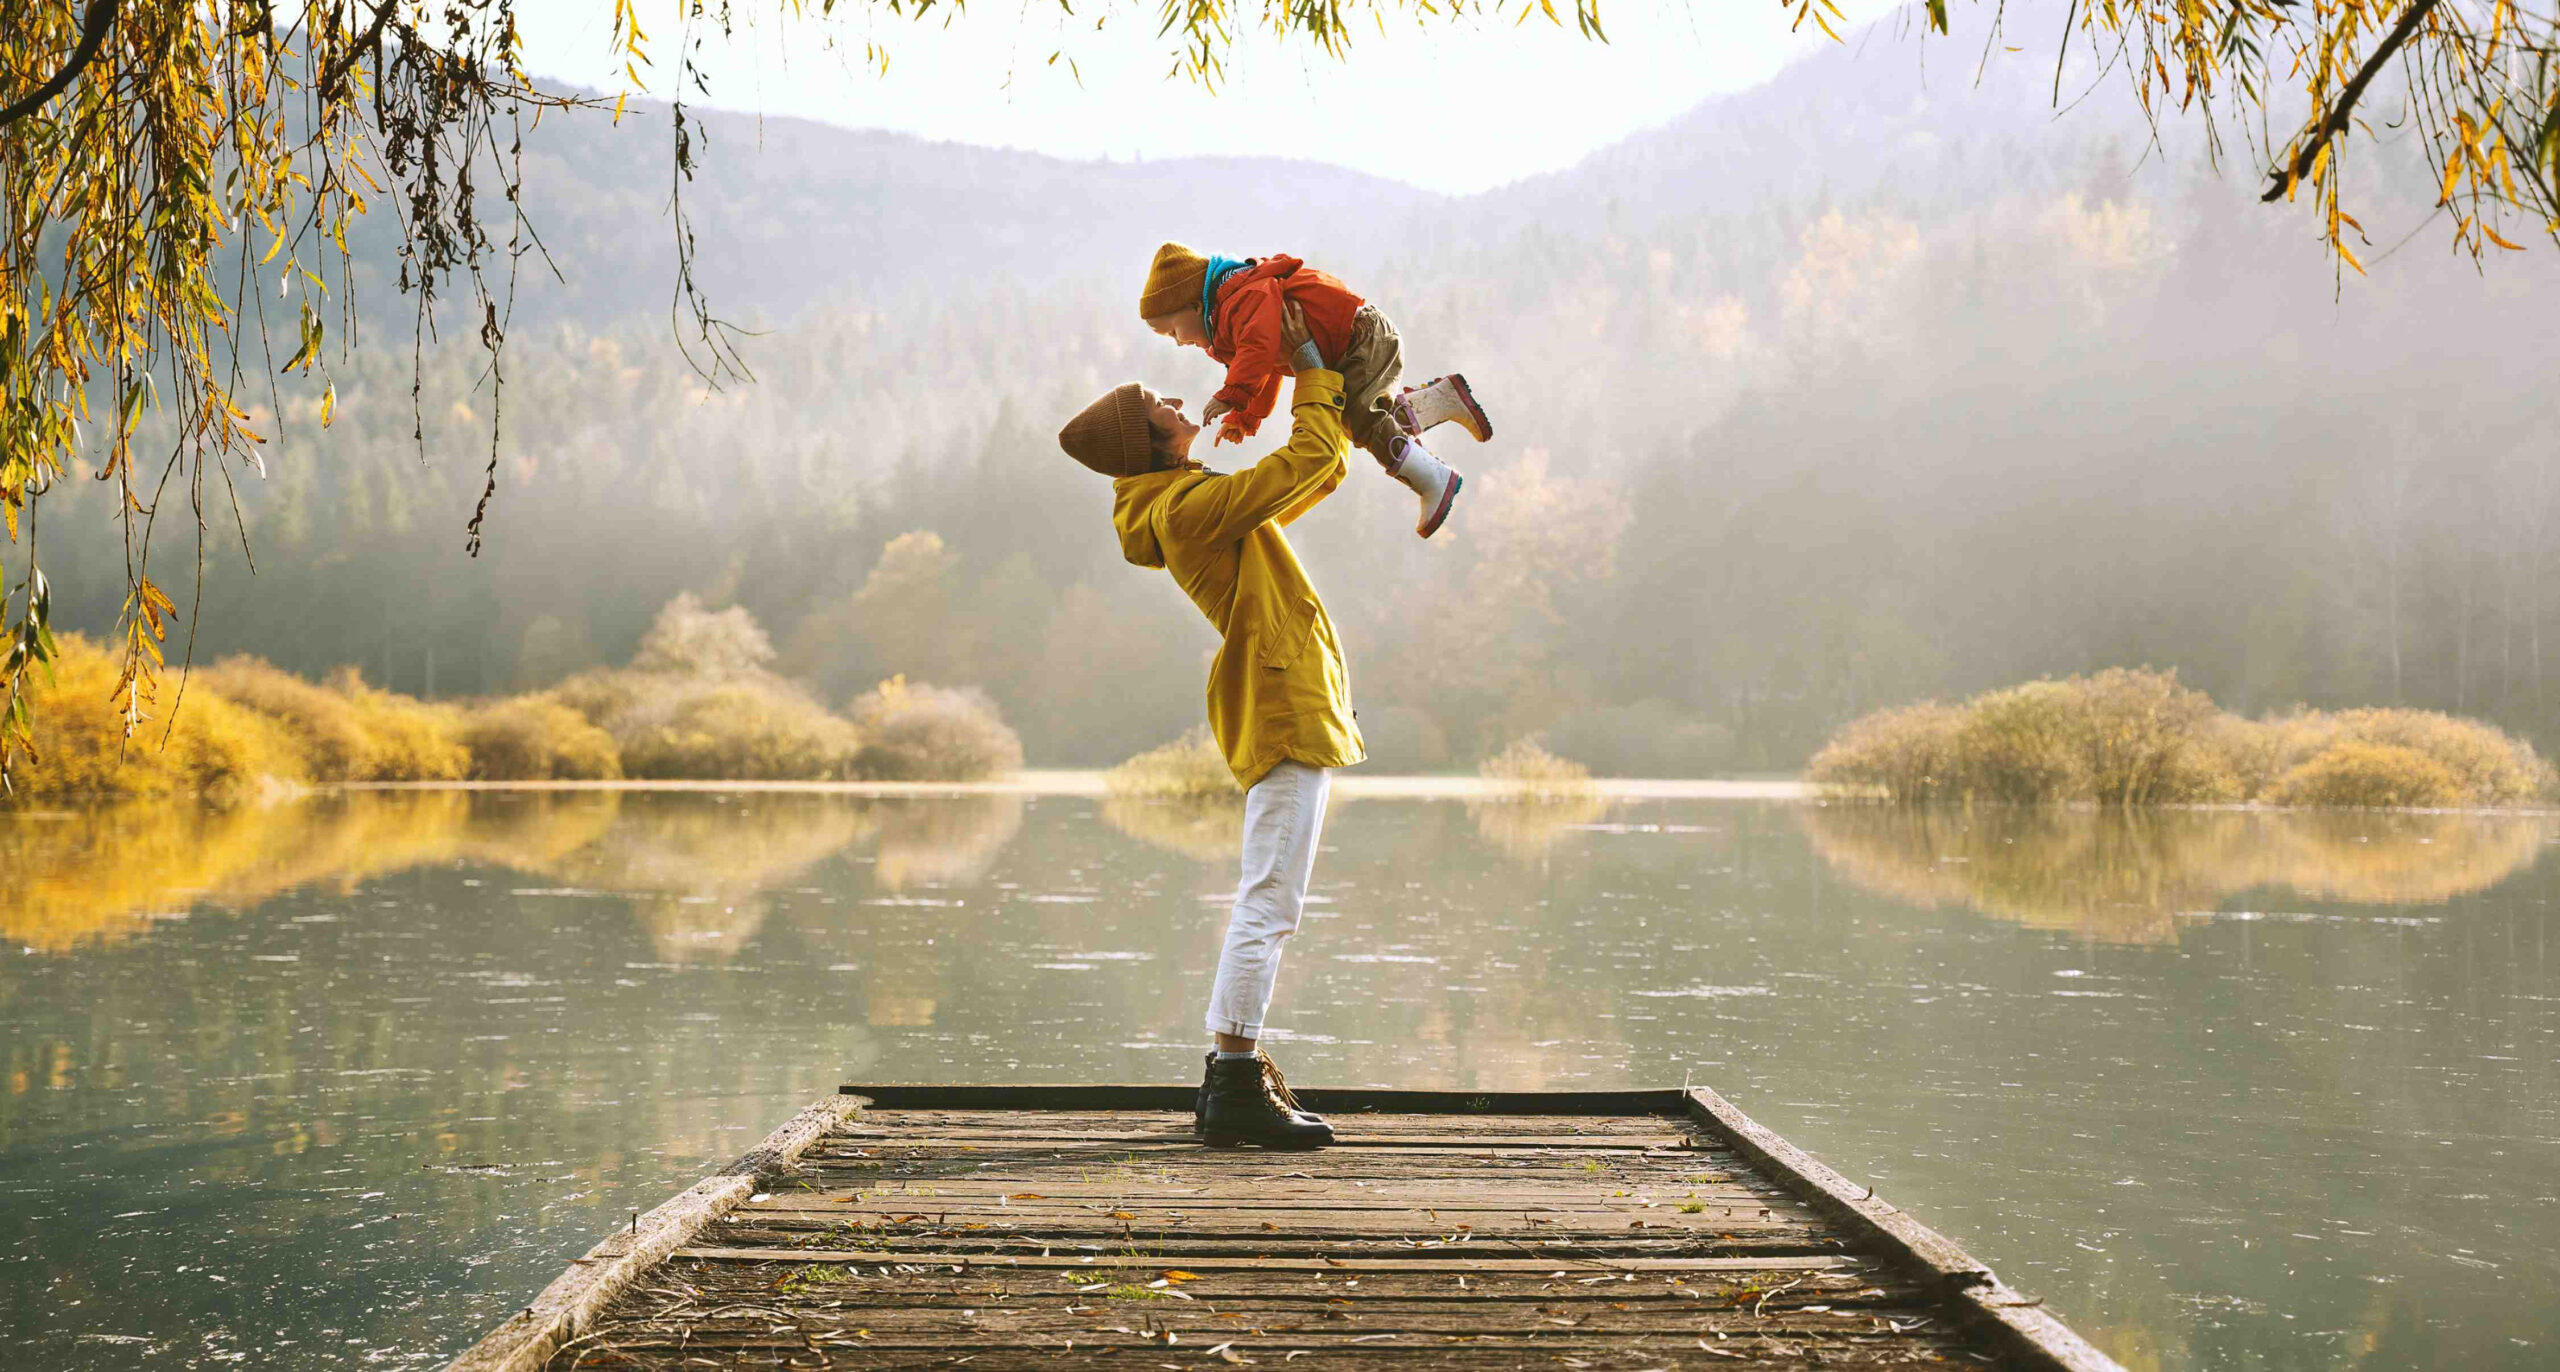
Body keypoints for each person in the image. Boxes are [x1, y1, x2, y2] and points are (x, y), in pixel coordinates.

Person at [1057, 301, 1359, 1150]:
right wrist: (1310, 369)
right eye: (1162, 404)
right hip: (1280, 705)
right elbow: (1304, 455)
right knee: (1270, 899)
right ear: (1148, 441)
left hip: (1284, 701)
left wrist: (1332, 405)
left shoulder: (1192, 503)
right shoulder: (1187, 512)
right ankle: (1233, 1080)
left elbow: (1314, 470)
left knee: (1270, 896)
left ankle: (1232, 1077)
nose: (1180, 402)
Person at [1137, 241, 1493, 539]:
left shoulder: (1240, 300)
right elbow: (1268, 368)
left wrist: (1231, 394)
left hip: (1358, 337)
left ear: (1195, 307)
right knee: (1367, 418)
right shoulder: (1234, 309)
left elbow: (1258, 350)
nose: (1178, 343)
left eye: (1172, 332)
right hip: (1354, 340)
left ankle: (1432, 478)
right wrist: (1245, 416)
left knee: (1358, 420)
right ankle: (1443, 399)